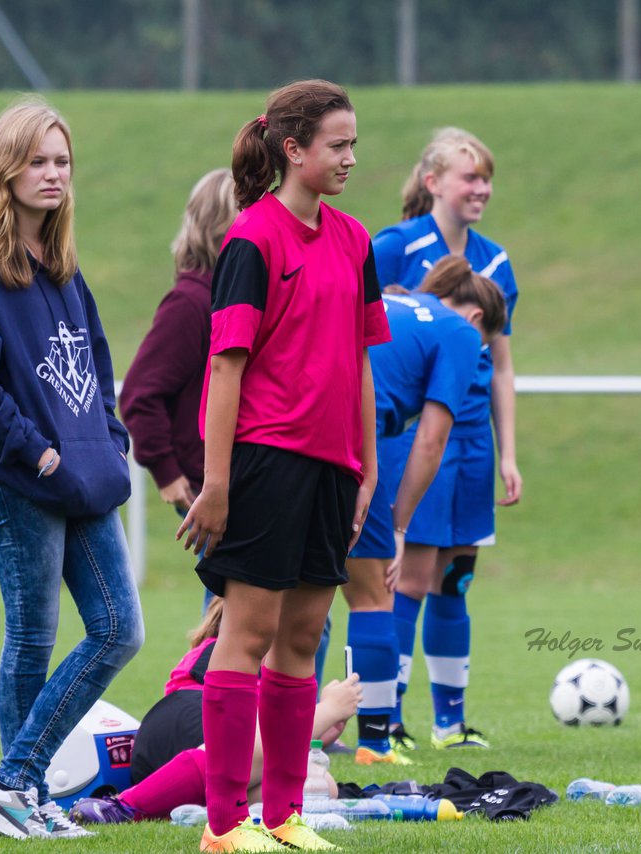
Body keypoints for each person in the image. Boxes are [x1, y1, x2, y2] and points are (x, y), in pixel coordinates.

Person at [176, 78, 390, 852]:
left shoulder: (356, 239)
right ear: (293, 150)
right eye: (337, 145)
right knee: (250, 633)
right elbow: (226, 368)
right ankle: (226, 827)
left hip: (333, 469)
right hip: (265, 463)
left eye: (353, 144)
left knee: (303, 638)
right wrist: (219, 483)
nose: (350, 159)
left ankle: (284, 816)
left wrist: (364, 470)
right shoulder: (251, 241)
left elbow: (364, 361)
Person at [0, 98, 144, 841]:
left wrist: (108, 434)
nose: (53, 174)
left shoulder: (61, 264)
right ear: (6, 168)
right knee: (33, 635)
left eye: (62, 162)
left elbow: (94, 357)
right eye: (38, 161)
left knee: (120, 628)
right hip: (20, 476)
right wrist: (39, 449)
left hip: (86, 474)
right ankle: (19, 791)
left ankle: (14, 782)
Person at [371, 127, 521, 751]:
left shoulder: (495, 260)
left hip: (470, 441)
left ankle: (449, 723)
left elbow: (504, 362)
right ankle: (390, 719)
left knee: (455, 580)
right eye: (469, 176)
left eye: (486, 177)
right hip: (413, 430)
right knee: (407, 577)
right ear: (433, 182)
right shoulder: (393, 247)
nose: (480, 187)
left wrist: (509, 451)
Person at [343, 256, 506, 765]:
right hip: (350, 440)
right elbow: (432, 439)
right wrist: (397, 524)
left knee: (290, 598)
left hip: (286, 429)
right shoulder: (459, 333)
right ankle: (375, 742)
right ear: (478, 321)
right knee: (373, 598)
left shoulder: (391, 300)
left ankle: (288, 734)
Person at [69, 597, 362, 824]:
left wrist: (320, 736)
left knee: (321, 784)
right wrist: (328, 710)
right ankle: (122, 806)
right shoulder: (237, 650)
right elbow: (271, 728)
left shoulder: (234, 646)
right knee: (268, 753)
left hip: (173, 743)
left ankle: (190, 804)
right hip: (193, 722)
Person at [120, 168, 237, 519]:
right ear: (221, 227)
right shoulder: (189, 303)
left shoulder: (230, 298)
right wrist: (167, 473)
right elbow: (140, 395)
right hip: (207, 488)